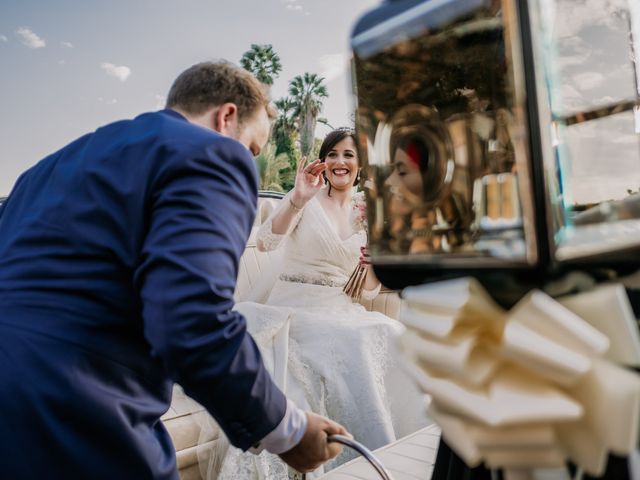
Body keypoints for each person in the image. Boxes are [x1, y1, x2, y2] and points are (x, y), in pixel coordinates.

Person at [0, 60, 348, 480]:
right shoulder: (212, 153)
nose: (249, 161)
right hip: (77, 413)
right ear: (227, 116)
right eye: (253, 149)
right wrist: (288, 430)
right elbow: (190, 317)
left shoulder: (47, 168)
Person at [205, 128, 429, 479]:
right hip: (294, 306)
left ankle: (400, 458)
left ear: (360, 165)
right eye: (333, 154)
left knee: (394, 332)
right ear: (324, 161)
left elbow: (367, 292)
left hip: (340, 307)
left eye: (349, 155)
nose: (340, 161)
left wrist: (374, 263)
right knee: (356, 339)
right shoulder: (304, 199)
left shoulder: (370, 212)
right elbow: (266, 242)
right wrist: (297, 198)